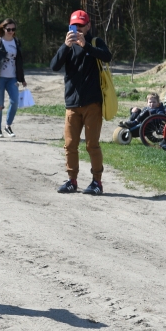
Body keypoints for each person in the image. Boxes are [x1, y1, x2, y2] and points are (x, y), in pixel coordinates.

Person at [50, 10, 112, 195]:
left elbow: (107, 56)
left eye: (81, 26)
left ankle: (97, 182)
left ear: (88, 26)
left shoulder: (95, 42)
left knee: (92, 145)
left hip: (92, 103)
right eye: (74, 26)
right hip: (72, 104)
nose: (77, 29)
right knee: (70, 145)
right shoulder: (68, 46)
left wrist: (86, 46)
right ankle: (72, 181)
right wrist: (65, 46)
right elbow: (54, 66)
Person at [0, 18, 27, 138]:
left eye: (13, 29)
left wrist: (22, 79)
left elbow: (19, 62)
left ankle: (8, 126)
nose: (11, 32)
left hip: (12, 78)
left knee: (15, 102)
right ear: (3, 29)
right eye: (8, 29)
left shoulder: (16, 42)